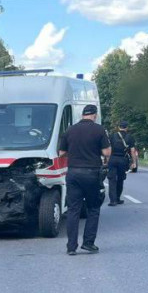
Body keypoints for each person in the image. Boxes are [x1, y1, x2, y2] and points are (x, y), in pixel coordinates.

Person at [57, 104, 111, 255]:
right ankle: (88, 243)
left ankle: (71, 247)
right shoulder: (99, 129)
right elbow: (106, 152)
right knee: (93, 208)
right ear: (94, 115)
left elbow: (61, 152)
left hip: (73, 173)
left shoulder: (70, 130)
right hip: (92, 173)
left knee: (73, 209)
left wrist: (74, 155)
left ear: (82, 115)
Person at [106, 121, 138, 206]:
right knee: (120, 179)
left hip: (112, 159)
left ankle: (112, 201)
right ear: (126, 128)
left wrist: (106, 160)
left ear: (118, 127)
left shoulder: (112, 136)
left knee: (112, 180)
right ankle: (117, 198)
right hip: (122, 160)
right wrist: (134, 162)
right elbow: (132, 151)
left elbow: (108, 148)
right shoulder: (129, 137)